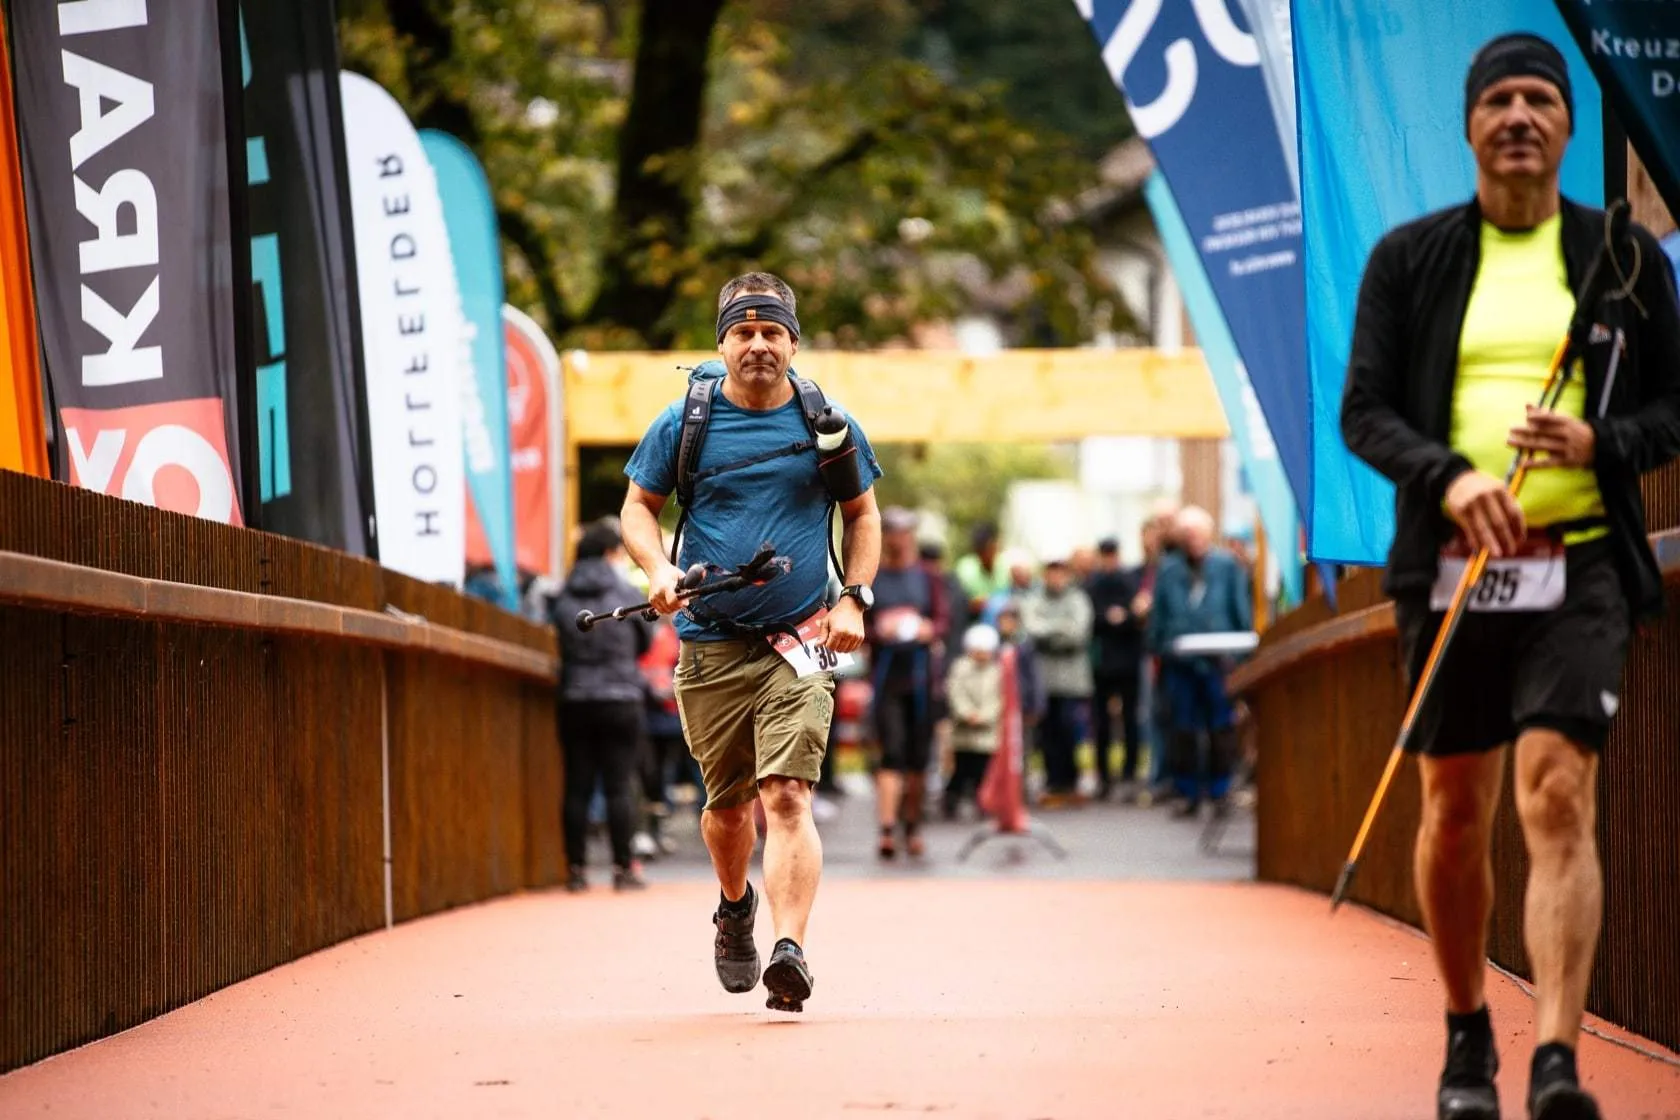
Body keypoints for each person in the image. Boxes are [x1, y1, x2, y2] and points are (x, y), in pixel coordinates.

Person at [1339, 32, 1680, 1120]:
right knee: (1453, 809)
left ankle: (1558, 1061)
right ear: (1471, 124)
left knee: (1559, 788)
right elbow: (1364, 411)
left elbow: (1675, 408)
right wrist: (1448, 479)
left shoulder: (1623, 259)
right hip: (1450, 571)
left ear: (1570, 124)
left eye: (1541, 99)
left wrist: (1600, 442)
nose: (1520, 117)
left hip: (1579, 565)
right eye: (1500, 101)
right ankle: (1466, 1033)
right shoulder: (1409, 259)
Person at [619, 271, 883, 1013]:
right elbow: (637, 507)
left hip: (800, 640)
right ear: (723, 343)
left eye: (773, 332)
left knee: (788, 794)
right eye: (744, 331)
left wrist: (854, 598)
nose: (759, 344)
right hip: (709, 643)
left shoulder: (827, 422)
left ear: (794, 343)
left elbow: (863, 515)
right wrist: (658, 569)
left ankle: (790, 948)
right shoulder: (686, 422)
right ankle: (735, 907)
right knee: (729, 808)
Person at [549, 519, 652, 892]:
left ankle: (575, 870)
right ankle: (623, 869)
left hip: (575, 697)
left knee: (577, 784)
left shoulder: (561, 597)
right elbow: (644, 641)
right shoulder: (626, 592)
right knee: (619, 785)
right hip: (621, 698)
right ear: (610, 553)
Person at [1147, 507, 1251, 819]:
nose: (1193, 540)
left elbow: (1239, 609)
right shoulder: (1169, 569)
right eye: (1188, 534)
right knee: (1182, 727)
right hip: (1181, 662)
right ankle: (1187, 791)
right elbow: (1159, 615)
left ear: (1208, 534)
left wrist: (1242, 656)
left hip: (1219, 661)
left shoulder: (1227, 566)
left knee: (1221, 726)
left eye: (1198, 533)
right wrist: (1159, 647)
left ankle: (1220, 790)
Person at [864, 506, 946, 859]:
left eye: (905, 532)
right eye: (894, 531)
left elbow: (943, 619)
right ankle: (886, 829)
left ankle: (912, 825)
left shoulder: (927, 577)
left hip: (922, 679)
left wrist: (928, 629)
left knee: (919, 757)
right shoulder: (873, 576)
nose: (900, 538)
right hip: (887, 680)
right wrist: (880, 630)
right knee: (891, 752)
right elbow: (859, 625)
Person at [1019, 556, 1093, 805]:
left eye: (1060, 572)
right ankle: (1053, 782)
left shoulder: (1078, 599)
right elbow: (1030, 629)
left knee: (1070, 730)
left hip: (1072, 681)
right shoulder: (1034, 599)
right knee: (1047, 732)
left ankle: (1070, 781)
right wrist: (1061, 627)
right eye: (1051, 572)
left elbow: (1078, 634)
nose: (1056, 577)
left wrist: (1049, 631)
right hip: (1042, 680)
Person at [1086, 537, 1144, 800]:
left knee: (1130, 719)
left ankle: (1130, 773)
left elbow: (1138, 614)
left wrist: (1125, 617)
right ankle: (1104, 775)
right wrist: (1109, 618)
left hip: (1127, 661)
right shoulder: (1093, 584)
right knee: (1101, 722)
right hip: (1102, 662)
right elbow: (1090, 618)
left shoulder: (1129, 581)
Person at [942, 623, 1004, 819]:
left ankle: (984, 802)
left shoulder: (997, 672)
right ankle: (951, 799)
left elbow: (999, 699)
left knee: (983, 770)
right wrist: (967, 714)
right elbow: (955, 693)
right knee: (961, 768)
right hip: (963, 731)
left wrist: (984, 716)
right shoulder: (960, 669)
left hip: (987, 733)